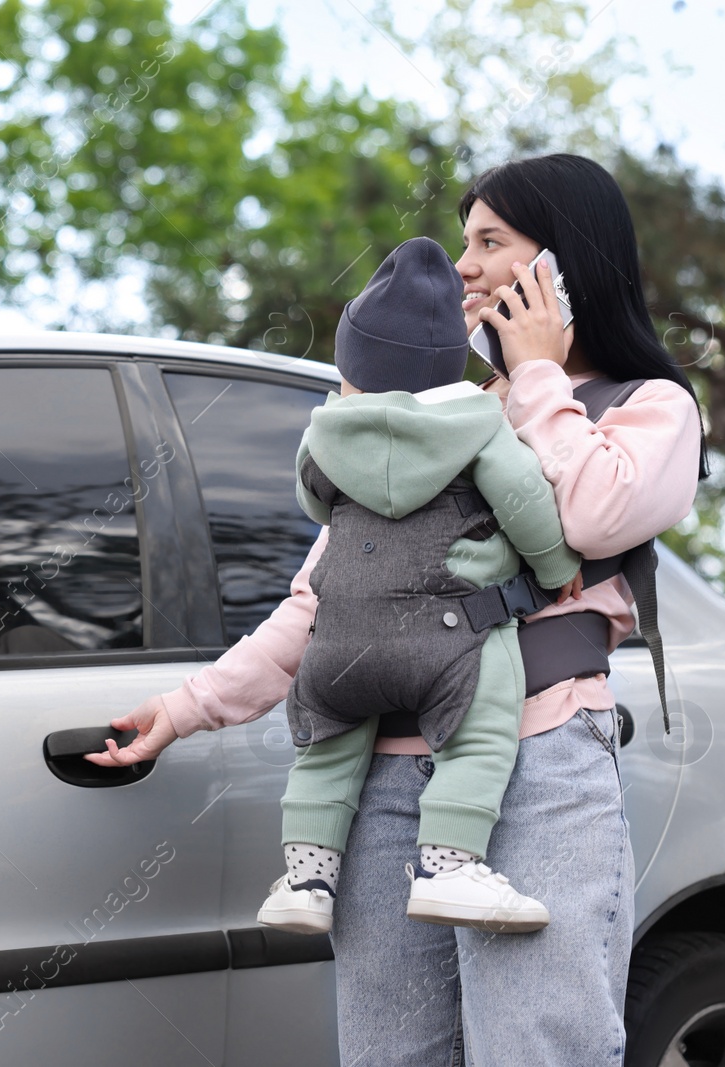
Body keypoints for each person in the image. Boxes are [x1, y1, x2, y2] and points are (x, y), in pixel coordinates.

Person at [89, 153, 705, 1065]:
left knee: (538, 1049)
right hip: (385, 782)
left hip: (538, 769)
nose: (464, 266)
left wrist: (535, 380)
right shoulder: (437, 416)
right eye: (463, 242)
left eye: (490, 241)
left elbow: (592, 514)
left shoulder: (647, 406)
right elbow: (325, 600)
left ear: (565, 263)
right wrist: (184, 708)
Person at [257, 237, 581, 939]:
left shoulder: (323, 436)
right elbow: (526, 502)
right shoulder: (477, 425)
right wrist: (556, 570)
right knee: (479, 733)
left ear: (351, 364)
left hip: (339, 642)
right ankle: (450, 865)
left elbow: (315, 502)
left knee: (326, 749)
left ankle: (307, 877)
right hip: (449, 639)